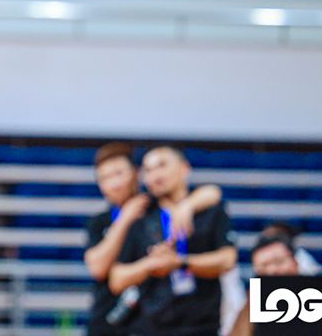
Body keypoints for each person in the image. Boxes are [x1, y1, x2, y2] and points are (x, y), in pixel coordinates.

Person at [85, 143, 224, 336]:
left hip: (153, 322)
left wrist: (188, 206)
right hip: (107, 318)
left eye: (119, 173)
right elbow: (98, 269)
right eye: (105, 178)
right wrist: (125, 218)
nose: (114, 183)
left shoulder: (154, 208)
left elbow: (212, 193)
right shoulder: (100, 222)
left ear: (136, 173)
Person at [226, 231, 304, 336]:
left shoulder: (316, 297)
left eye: (278, 262)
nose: (272, 271)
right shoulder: (252, 302)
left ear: (295, 262)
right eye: (264, 266)